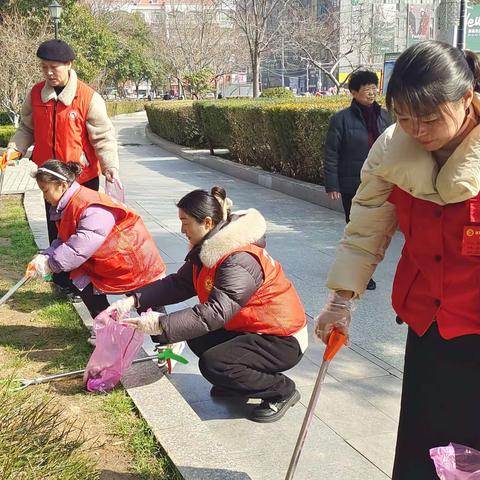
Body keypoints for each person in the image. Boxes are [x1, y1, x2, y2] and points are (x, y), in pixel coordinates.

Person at [315, 41, 480, 479]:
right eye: (405, 118)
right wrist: (341, 299)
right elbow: (366, 227)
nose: (418, 130)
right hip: (429, 323)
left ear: (466, 99)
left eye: (429, 118)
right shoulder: (393, 148)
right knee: (425, 443)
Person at [108, 187, 308, 423]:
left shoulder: (238, 259)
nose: (182, 230)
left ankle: (281, 390)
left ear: (207, 222)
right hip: (249, 328)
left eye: (186, 222)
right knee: (196, 335)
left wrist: (160, 323)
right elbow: (179, 284)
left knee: (214, 364)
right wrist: (133, 299)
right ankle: (237, 382)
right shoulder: (209, 249)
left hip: (281, 338)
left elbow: (216, 312)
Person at [5, 39, 119, 301]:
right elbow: (26, 129)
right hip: (49, 179)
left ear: (69, 65)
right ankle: (61, 281)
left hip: (82, 181)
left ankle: (84, 284)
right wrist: (15, 149)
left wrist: (110, 165)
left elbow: (103, 136)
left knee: (82, 233)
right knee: (56, 229)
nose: (48, 72)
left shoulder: (88, 97)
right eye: (44, 67)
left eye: (53, 67)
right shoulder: (35, 95)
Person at [29, 160, 166, 343]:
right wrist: (46, 255)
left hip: (131, 257)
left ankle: (167, 341)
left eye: (46, 190)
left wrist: (52, 264)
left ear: (62, 185)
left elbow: (81, 245)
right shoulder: (68, 204)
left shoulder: (89, 205)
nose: (45, 197)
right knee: (84, 283)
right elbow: (65, 238)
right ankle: (108, 329)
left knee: (146, 302)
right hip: (107, 257)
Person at [324, 70, 391, 290]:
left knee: (377, 231)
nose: (371, 93)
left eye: (374, 88)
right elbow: (332, 153)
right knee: (358, 229)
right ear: (354, 93)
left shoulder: (385, 116)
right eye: (366, 89)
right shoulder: (341, 119)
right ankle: (360, 273)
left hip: (381, 182)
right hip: (353, 183)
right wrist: (332, 184)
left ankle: (366, 268)